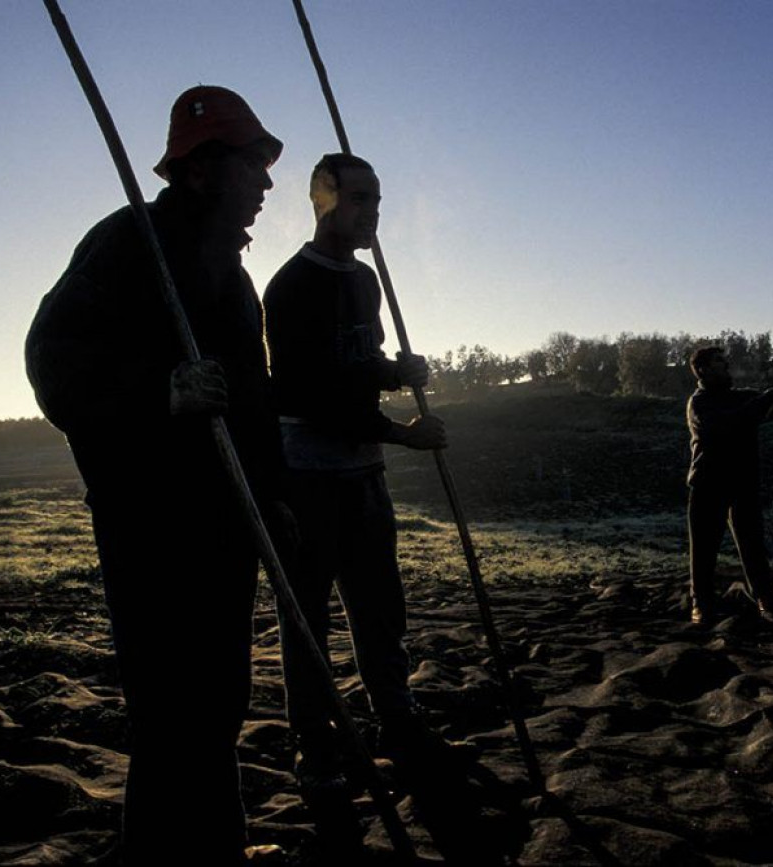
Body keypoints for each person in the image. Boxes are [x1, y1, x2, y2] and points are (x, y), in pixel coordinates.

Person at [25, 85, 291, 865]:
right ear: (204, 168)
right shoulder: (128, 244)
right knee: (170, 711)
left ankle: (217, 845)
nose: (269, 184)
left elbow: (254, 398)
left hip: (224, 522)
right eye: (254, 164)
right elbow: (53, 362)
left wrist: (273, 497)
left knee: (217, 705)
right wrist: (160, 392)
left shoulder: (234, 276)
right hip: (152, 525)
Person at [262, 153, 454, 813]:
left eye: (378, 199)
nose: (373, 212)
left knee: (380, 605)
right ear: (324, 201)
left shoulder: (367, 281)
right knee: (308, 618)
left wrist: (398, 369)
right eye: (360, 199)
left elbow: (358, 361)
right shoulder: (289, 287)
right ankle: (314, 748)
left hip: (363, 473)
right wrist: (400, 430)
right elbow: (308, 391)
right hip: (308, 474)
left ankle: (397, 719)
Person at [685, 342, 773, 625]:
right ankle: (702, 605)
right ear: (703, 370)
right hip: (708, 485)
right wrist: (766, 398)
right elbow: (721, 426)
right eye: (719, 362)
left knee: (753, 547)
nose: (726, 365)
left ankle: (767, 602)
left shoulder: (741, 398)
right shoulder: (699, 403)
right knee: (704, 551)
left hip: (743, 484)